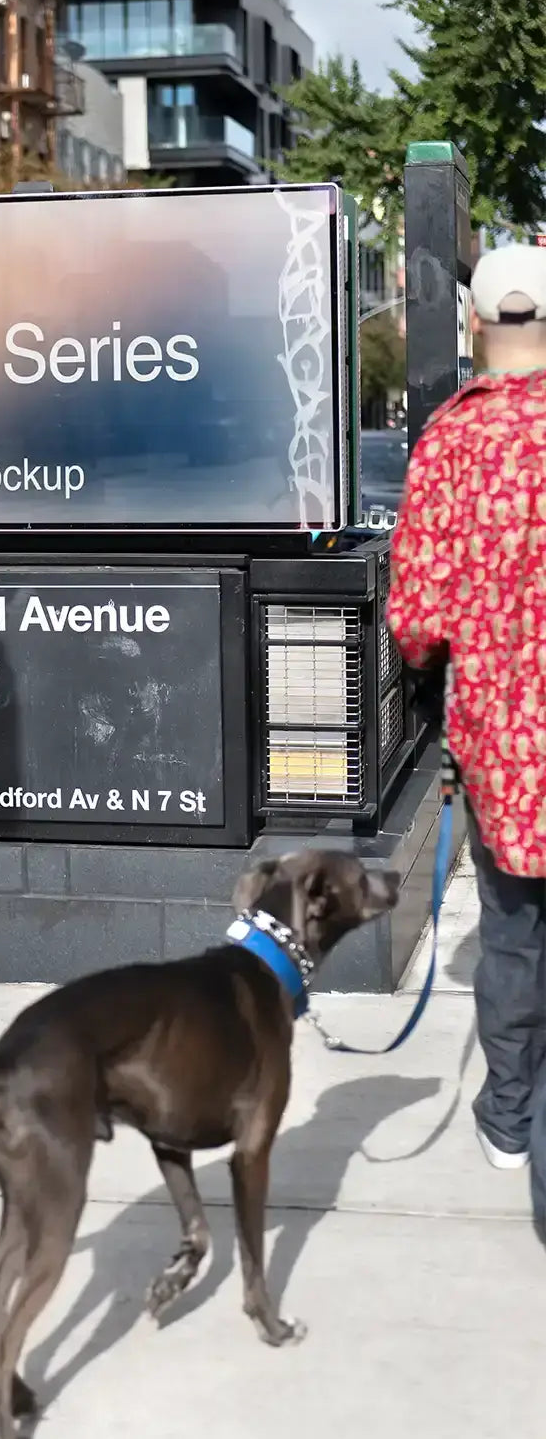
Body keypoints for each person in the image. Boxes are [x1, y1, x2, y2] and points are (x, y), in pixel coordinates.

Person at [386, 242, 546, 1245]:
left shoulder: (452, 441)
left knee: (512, 925)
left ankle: (508, 1115)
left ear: (480, 327)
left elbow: (416, 616)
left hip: (501, 737)